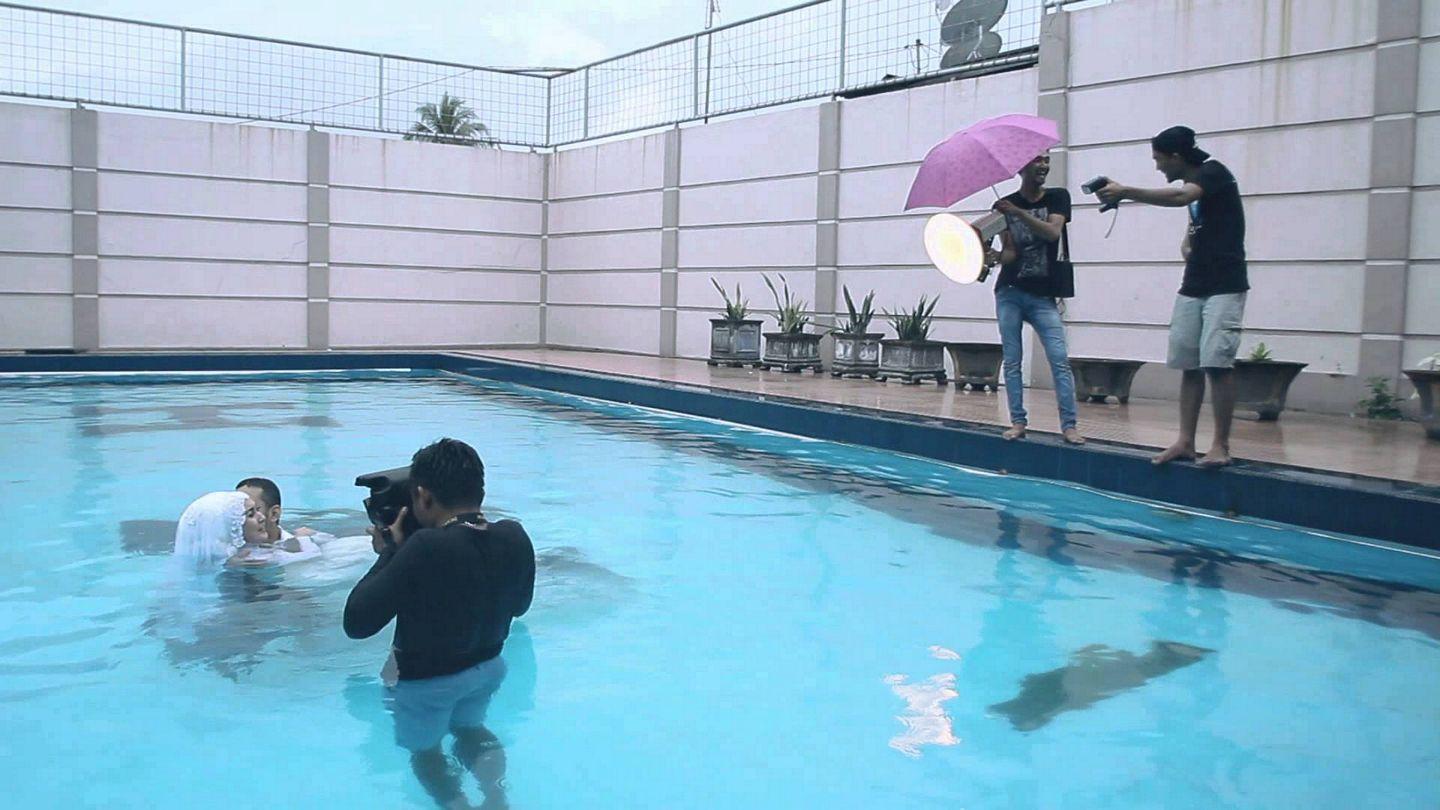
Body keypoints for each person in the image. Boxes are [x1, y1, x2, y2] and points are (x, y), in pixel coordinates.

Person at [344, 438, 536, 810]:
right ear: (479, 489)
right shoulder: (515, 535)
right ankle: (496, 798)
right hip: (487, 669)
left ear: (424, 498)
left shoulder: (426, 548)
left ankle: (458, 806)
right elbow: (520, 606)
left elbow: (357, 622)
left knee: (425, 751)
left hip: (426, 686)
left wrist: (390, 554)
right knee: (471, 729)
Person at [1097, 125, 1248, 467]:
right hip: (1194, 284)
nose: (1158, 167)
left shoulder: (1213, 172)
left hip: (1225, 284)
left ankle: (1221, 445)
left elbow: (1184, 197)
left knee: (1217, 363)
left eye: (1160, 160)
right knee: (1188, 363)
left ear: (1177, 157)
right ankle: (1186, 441)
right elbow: (1198, 210)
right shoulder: (1195, 183)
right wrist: (1189, 239)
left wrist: (1126, 191)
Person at [985, 153, 1085, 445]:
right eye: (1037, 161)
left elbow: (1053, 232)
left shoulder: (1057, 198)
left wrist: (1017, 213)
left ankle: (1069, 425)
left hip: (1044, 295)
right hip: (1010, 292)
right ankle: (1017, 422)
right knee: (1013, 359)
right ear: (1021, 166)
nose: (1044, 165)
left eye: (1046, 160)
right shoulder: (1002, 204)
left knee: (1059, 359)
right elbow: (1011, 253)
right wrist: (992, 257)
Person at [172, 491, 269, 567]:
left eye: (258, 510)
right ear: (229, 527)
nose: (262, 517)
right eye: (250, 514)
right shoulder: (258, 560)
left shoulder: (187, 561)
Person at [235, 477, 315, 548]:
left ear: (274, 514)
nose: (239, 516)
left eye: (251, 511)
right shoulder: (229, 548)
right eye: (237, 509)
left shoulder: (303, 547)